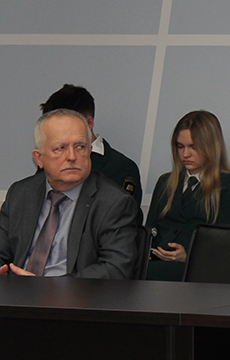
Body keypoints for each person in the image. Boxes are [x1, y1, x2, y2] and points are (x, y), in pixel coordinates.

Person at [0, 109, 141, 278]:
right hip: (15, 291)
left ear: (89, 151)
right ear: (39, 158)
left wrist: (46, 287)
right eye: (61, 148)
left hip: (71, 293)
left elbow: (115, 269)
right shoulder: (21, 193)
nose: (72, 156)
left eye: (80, 147)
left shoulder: (113, 203)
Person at [145, 110, 230, 281]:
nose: (186, 154)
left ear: (211, 147)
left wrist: (187, 256)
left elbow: (227, 244)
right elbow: (149, 230)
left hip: (197, 272)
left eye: (194, 147)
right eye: (180, 147)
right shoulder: (166, 182)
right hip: (155, 264)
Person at [40, 84, 142, 202]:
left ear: (89, 123)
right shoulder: (49, 157)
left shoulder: (121, 168)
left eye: (65, 127)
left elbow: (121, 211)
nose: (57, 134)